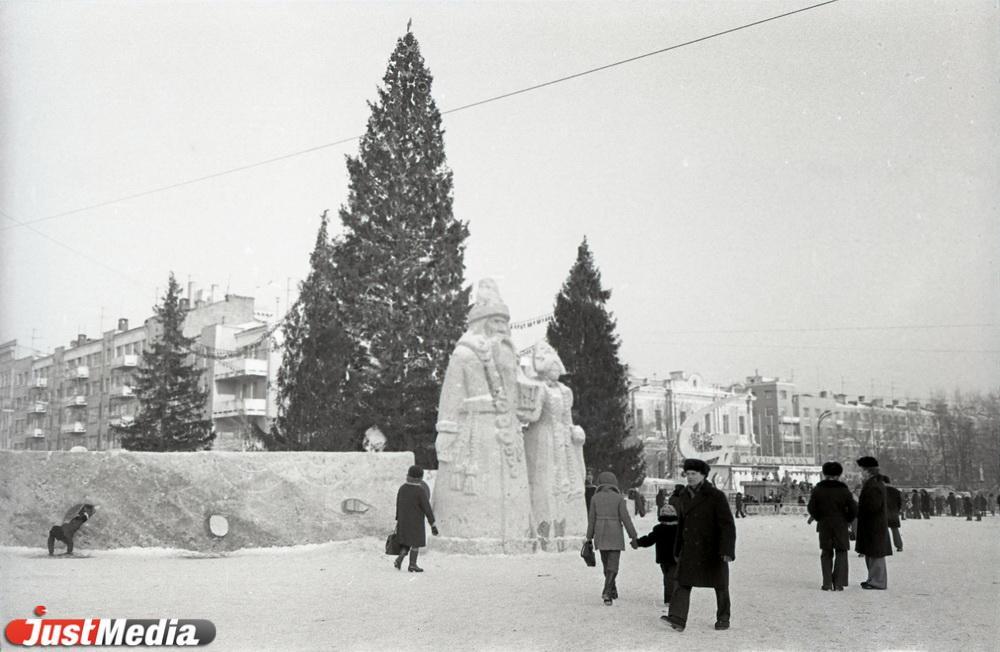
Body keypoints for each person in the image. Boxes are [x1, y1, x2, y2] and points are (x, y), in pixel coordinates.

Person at [433, 279, 538, 551]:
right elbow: (451, 396)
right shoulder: (464, 354)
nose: (502, 328)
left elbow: (519, 391)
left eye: (505, 322)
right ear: (483, 323)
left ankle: (515, 533)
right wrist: (446, 430)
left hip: (507, 431)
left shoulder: (508, 355)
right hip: (475, 432)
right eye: (496, 322)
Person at [662, 458, 736, 633]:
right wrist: (677, 548)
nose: (689, 477)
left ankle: (723, 617)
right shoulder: (683, 496)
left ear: (703, 475)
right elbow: (682, 524)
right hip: (690, 548)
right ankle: (677, 618)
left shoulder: (716, 496)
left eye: (693, 474)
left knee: (720, 585)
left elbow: (727, 525)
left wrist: (727, 550)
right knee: (682, 582)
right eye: (687, 474)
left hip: (712, 548)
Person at [586, 471, 638, 606]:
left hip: (600, 533)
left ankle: (611, 590)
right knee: (613, 564)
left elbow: (591, 520)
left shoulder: (595, 498)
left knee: (606, 563)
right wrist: (633, 535)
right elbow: (626, 518)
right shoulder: (619, 498)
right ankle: (608, 591)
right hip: (615, 533)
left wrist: (589, 537)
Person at [807, 462, 858, 591]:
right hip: (840, 524)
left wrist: (819, 517)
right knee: (841, 552)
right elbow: (853, 508)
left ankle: (827, 583)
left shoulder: (818, 489)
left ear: (825, 474)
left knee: (826, 552)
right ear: (838, 475)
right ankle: (839, 583)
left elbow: (811, 507)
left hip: (825, 524)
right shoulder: (844, 490)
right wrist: (847, 519)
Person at [854, 456, 892, 590]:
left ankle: (877, 581)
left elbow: (873, 506)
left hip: (874, 525)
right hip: (872, 524)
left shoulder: (873, 485)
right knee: (871, 553)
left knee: (876, 554)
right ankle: (872, 579)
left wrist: (858, 503)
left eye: (861, 470)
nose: (860, 473)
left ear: (868, 471)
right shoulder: (873, 483)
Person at [393, 465, 438, 572]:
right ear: (420, 477)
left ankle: (399, 559)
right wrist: (432, 524)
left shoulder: (402, 488)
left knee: (406, 542)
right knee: (415, 543)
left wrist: (398, 519)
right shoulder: (420, 491)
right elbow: (427, 509)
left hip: (403, 521)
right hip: (416, 522)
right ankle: (412, 564)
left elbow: (398, 504)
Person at [636, 504, 680, 606]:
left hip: (663, 558)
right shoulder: (679, 529)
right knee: (672, 578)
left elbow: (649, 540)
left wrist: (638, 542)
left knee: (667, 578)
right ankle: (672, 598)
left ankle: (669, 599)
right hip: (676, 558)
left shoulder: (659, 529)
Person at [882, 475, 903, 552]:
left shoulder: (881, 490)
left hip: (883, 513)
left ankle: (885, 547)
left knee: (883, 531)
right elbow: (899, 503)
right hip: (894, 513)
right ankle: (899, 546)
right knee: (895, 530)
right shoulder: (896, 491)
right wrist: (897, 510)